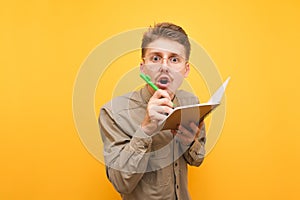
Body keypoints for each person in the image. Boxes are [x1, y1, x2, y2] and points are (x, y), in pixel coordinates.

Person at [99, 22, 206, 200]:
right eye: (156, 58)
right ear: (143, 67)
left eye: (174, 59)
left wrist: (189, 142)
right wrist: (145, 130)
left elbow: (197, 159)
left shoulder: (191, 103)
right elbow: (120, 183)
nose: (164, 67)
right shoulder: (113, 113)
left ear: (185, 69)